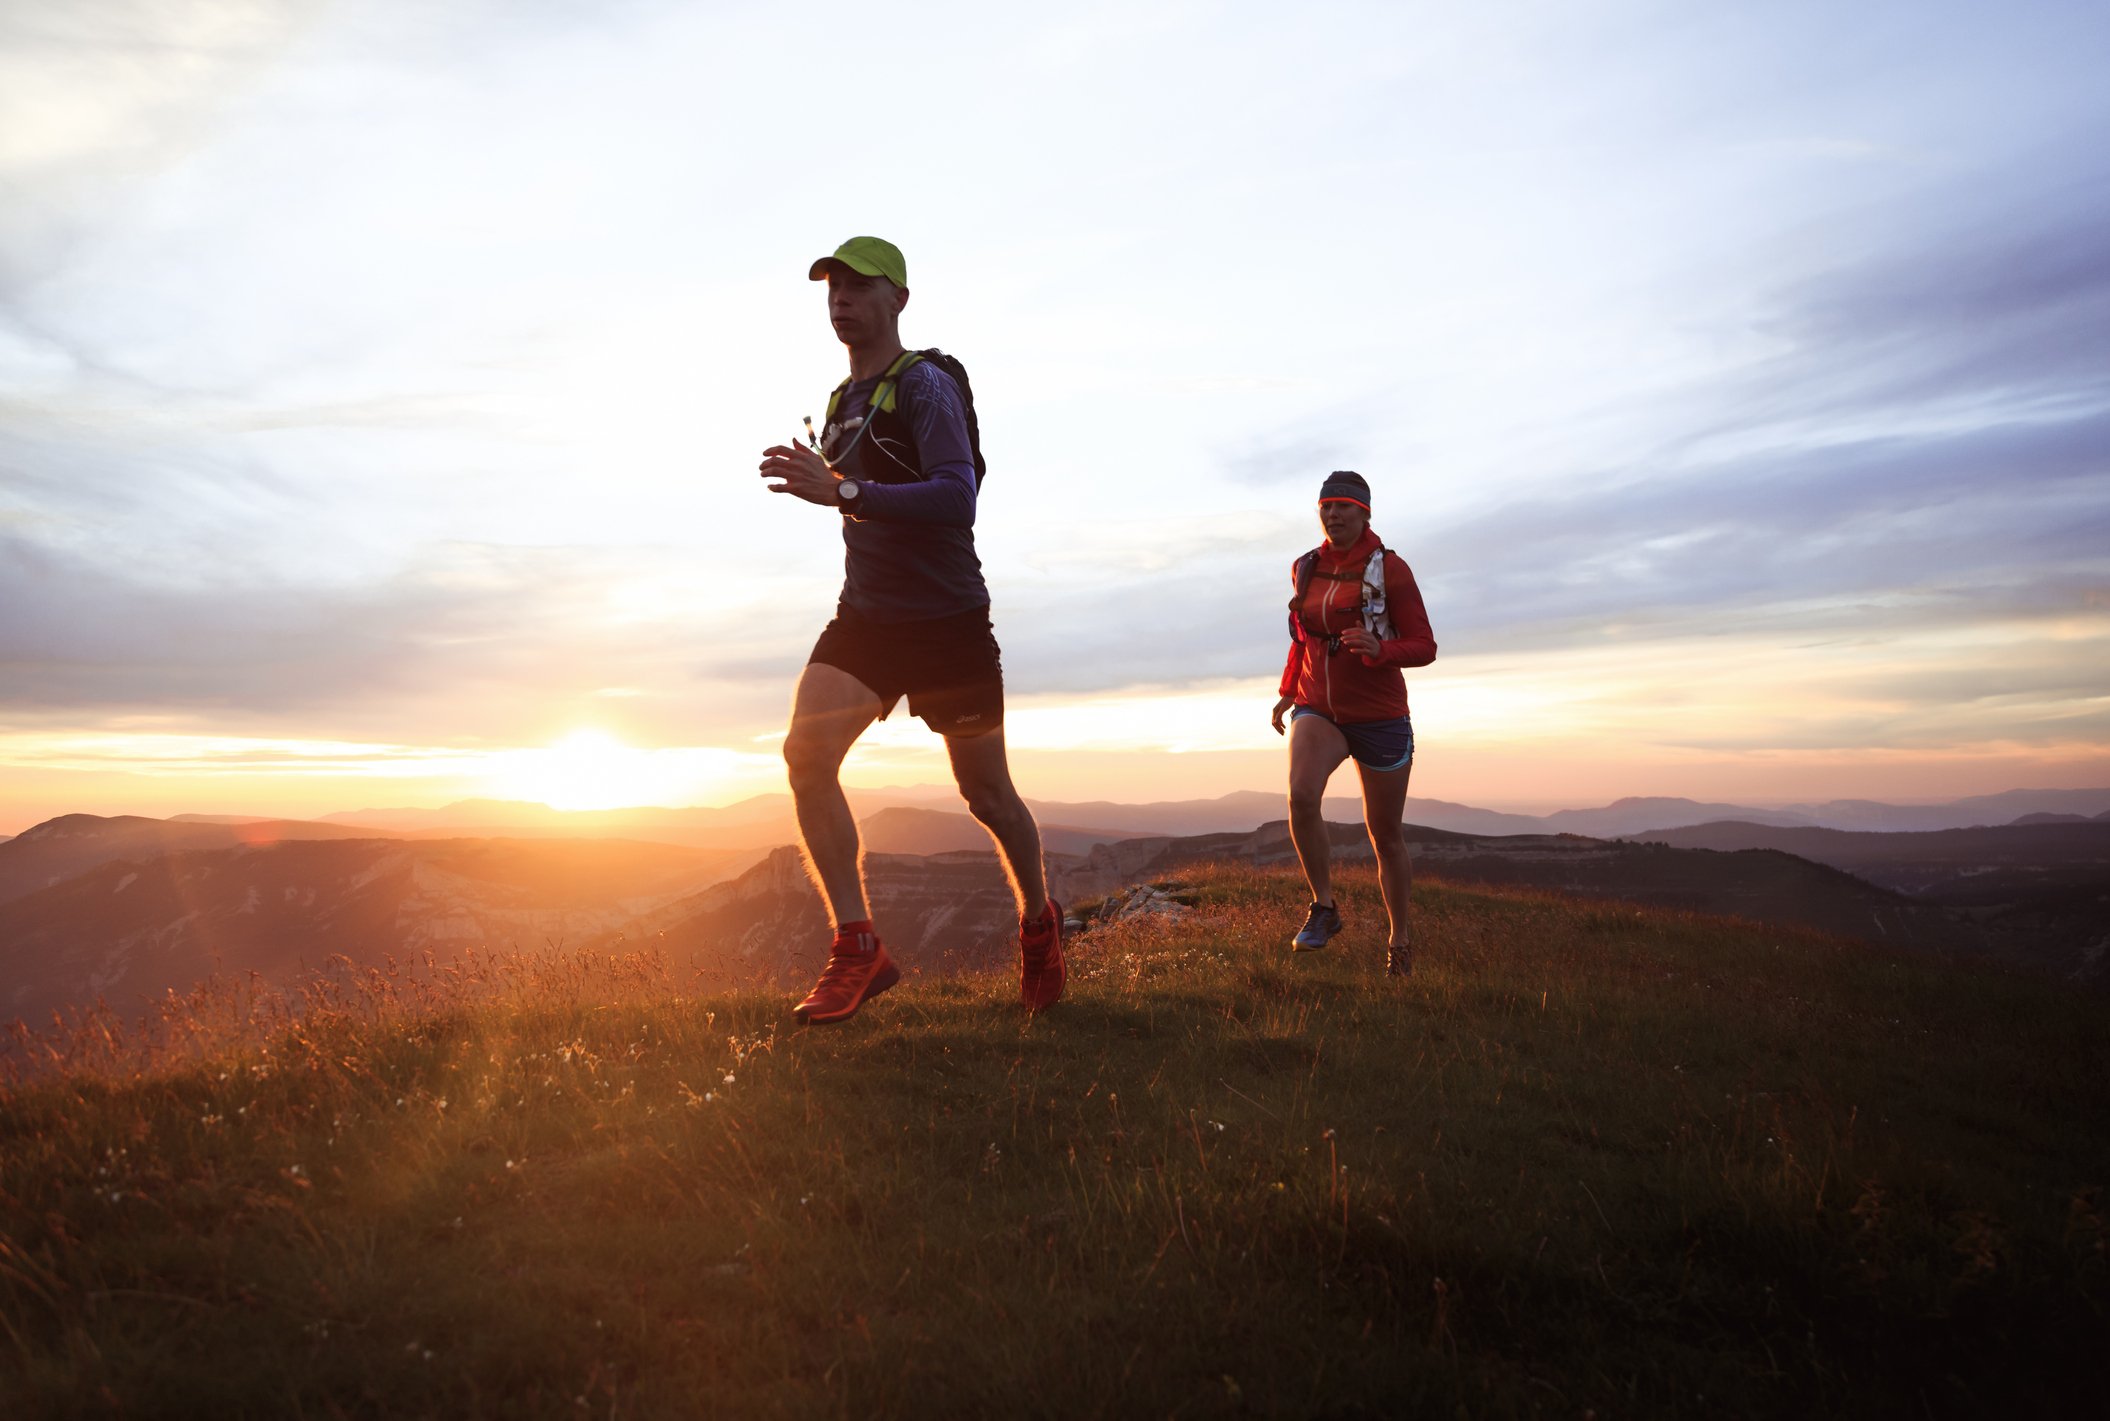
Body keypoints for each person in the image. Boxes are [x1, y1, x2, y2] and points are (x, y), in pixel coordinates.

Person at [757, 236, 1064, 1024]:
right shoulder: (840, 401)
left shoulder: (923, 385)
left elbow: (956, 498)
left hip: (948, 625)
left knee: (987, 795)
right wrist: (832, 484)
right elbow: (856, 504)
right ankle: (858, 946)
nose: (841, 299)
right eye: (832, 287)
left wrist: (845, 489)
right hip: (867, 619)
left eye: (860, 286)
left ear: (898, 297)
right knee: (805, 755)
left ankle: (1039, 925)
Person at [1269, 471, 1438, 975]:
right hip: (1317, 704)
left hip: (1380, 714)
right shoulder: (1306, 567)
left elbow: (1425, 645)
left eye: (1344, 505)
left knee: (1384, 834)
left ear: (1365, 512)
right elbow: (1303, 639)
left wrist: (1381, 649)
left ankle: (1399, 941)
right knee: (1301, 796)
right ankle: (1324, 908)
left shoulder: (1392, 570)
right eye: (1326, 506)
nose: (1333, 514)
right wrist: (1285, 692)